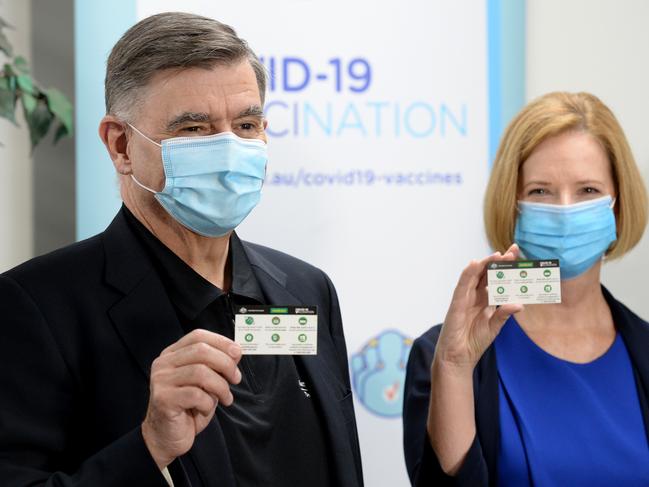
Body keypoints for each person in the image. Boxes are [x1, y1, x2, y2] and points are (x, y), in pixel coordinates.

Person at [0, 12, 363, 487]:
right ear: (121, 144)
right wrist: (150, 447)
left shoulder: (306, 287)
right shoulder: (36, 308)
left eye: (247, 124)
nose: (230, 148)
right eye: (194, 129)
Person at [403, 92, 649, 486]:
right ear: (511, 203)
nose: (565, 210)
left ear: (618, 205)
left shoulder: (643, 350)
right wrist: (453, 367)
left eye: (587, 190)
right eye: (540, 191)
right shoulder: (445, 359)